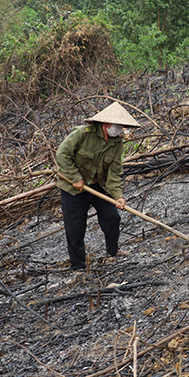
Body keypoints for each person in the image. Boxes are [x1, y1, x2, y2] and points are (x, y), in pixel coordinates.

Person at [55, 102, 141, 271]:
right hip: (74, 189)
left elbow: (115, 172)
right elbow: (62, 154)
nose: (120, 129)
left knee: (112, 218)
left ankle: (113, 252)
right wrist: (75, 177)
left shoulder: (116, 142)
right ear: (106, 123)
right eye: (117, 126)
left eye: (121, 126)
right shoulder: (83, 134)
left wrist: (118, 196)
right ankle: (78, 266)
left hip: (98, 186)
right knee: (75, 228)